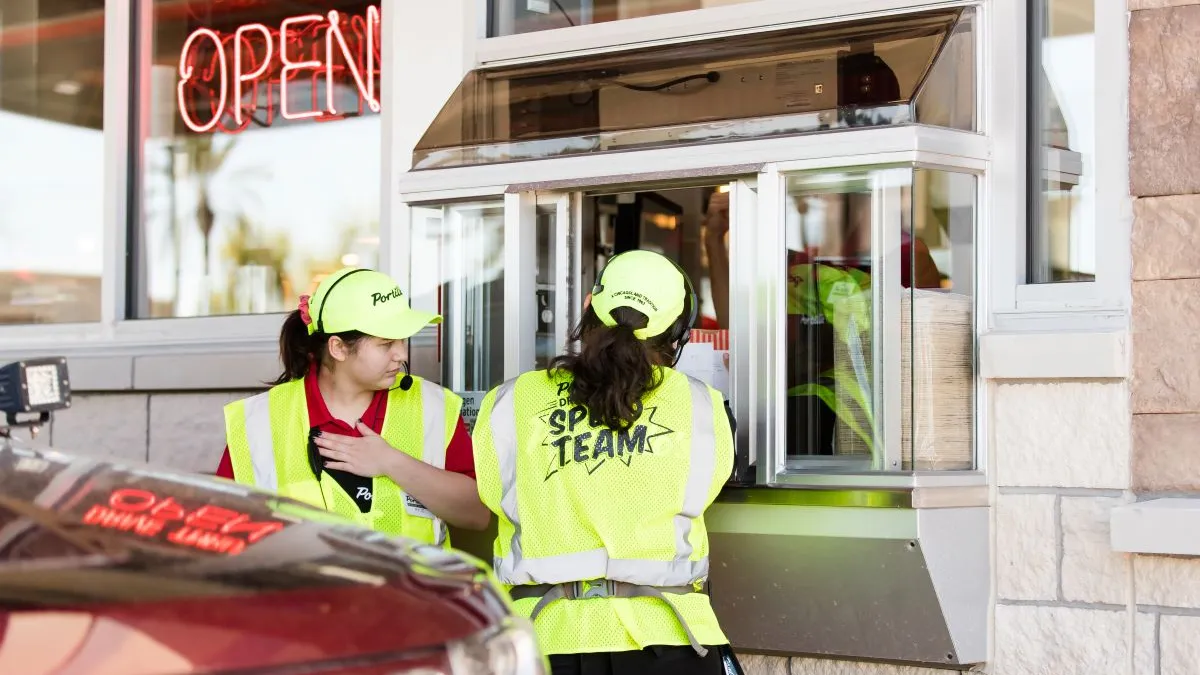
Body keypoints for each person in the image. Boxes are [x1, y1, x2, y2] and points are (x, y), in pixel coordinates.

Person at [471, 250, 736, 675]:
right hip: (669, 637)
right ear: (678, 334)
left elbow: (491, 491)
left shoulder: (509, 402)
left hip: (545, 636)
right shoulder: (702, 405)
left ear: (588, 307)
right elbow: (710, 484)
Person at [219, 267, 490, 544]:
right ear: (338, 348)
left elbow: (477, 515)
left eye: (402, 339)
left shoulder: (433, 406)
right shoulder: (259, 422)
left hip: (412, 588)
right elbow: (222, 532)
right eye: (386, 343)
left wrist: (390, 462)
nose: (401, 354)